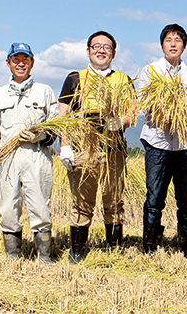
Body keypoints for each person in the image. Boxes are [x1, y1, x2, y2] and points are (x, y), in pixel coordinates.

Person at [58, 31, 135, 263]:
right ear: (88, 51)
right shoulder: (75, 78)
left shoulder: (123, 80)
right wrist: (65, 146)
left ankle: (114, 248)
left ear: (113, 52)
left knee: (114, 200)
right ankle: (78, 250)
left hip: (114, 149)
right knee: (82, 200)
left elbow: (132, 114)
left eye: (107, 47)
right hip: (84, 149)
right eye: (96, 46)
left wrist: (119, 122)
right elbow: (63, 116)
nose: (101, 50)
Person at [0, 43, 59, 262]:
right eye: (15, 59)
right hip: (7, 159)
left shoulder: (44, 92)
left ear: (32, 63)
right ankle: (12, 256)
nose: (20, 63)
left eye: (24, 59)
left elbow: (55, 130)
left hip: (36, 156)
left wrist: (40, 137)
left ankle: (44, 258)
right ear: (8, 63)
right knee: (7, 208)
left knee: (39, 208)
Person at [138, 24, 187, 256]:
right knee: (155, 196)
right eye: (168, 39)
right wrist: (167, 108)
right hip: (158, 143)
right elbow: (146, 106)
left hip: (185, 144)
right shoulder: (151, 71)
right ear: (162, 44)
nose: (173, 43)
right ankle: (150, 245)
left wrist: (184, 110)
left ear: (184, 46)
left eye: (178, 40)